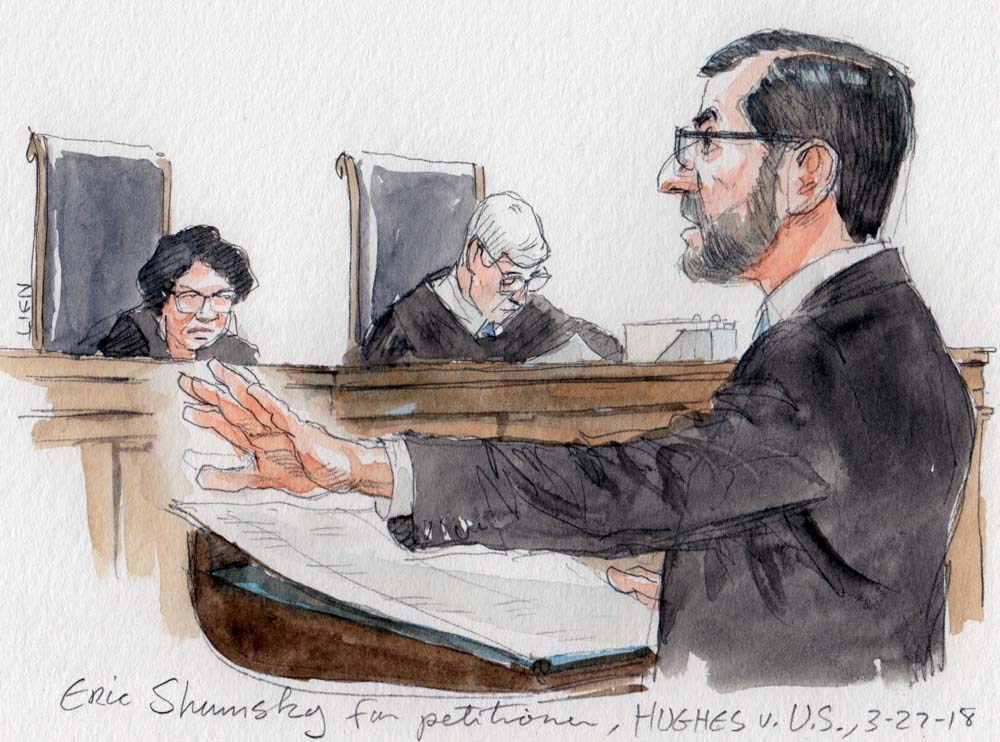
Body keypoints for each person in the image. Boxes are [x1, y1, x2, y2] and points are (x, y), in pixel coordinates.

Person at [180, 31, 974, 689]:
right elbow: (826, 560)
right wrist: (697, 581)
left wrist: (362, 466)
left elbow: (640, 485)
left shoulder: (827, 358)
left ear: (808, 175)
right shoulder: (883, 330)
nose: (674, 177)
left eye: (707, 141)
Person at [362, 192, 623, 364]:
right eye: (510, 279)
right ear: (475, 255)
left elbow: (609, 348)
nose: (520, 297)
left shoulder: (530, 314)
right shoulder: (405, 328)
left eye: (530, 280)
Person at [99, 225, 258, 364]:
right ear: (162, 297)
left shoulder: (240, 354)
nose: (206, 314)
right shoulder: (132, 334)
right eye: (191, 297)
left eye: (221, 297)